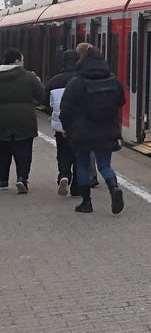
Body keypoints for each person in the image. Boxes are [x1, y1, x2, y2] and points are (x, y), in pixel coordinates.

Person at [59, 48, 127, 214]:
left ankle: (86, 203)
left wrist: (66, 128)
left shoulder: (76, 82)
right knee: (104, 165)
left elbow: (65, 108)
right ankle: (114, 189)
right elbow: (121, 101)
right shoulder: (113, 81)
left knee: (83, 165)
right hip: (107, 130)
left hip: (82, 133)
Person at [0, 46, 46, 193]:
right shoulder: (29, 77)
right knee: (24, 152)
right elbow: (42, 97)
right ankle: (22, 178)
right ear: (18, 60)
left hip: (2, 120)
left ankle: (2, 180)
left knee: (3, 151)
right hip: (25, 120)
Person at [45, 48, 81, 195]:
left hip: (61, 125)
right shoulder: (82, 79)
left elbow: (45, 101)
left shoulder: (54, 80)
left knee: (63, 152)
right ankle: (77, 187)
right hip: (80, 125)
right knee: (79, 156)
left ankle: (64, 175)